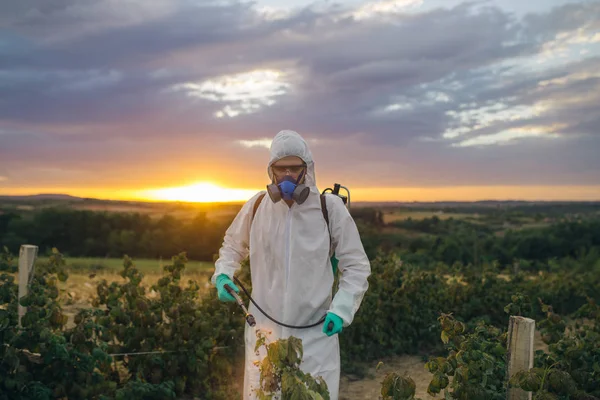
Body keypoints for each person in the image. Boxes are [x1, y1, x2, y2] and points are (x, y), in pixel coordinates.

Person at [211, 129, 371, 399]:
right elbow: (231, 246)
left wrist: (341, 309)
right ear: (270, 171)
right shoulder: (256, 206)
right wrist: (223, 274)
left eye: (293, 168)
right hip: (264, 333)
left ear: (306, 169)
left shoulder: (328, 208)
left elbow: (356, 266)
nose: (286, 176)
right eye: (279, 168)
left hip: (314, 336)